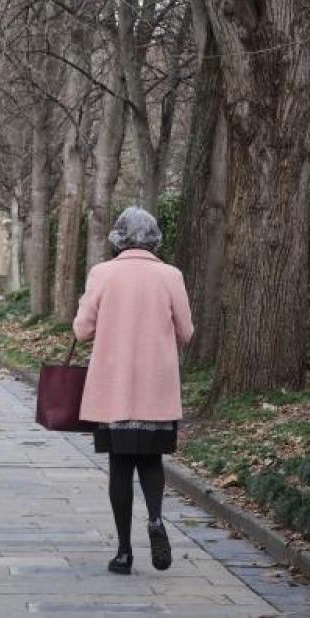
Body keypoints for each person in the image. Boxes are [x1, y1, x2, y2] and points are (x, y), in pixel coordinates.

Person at [73, 207, 194, 576]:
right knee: (152, 462)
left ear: (118, 238)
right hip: (156, 388)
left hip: (114, 390)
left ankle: (124, 552)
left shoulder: (103, 274)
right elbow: (186, 332)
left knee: (120, 468)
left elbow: (81, 330)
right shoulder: (170, 275)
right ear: (156, 238)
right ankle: (156, 519)